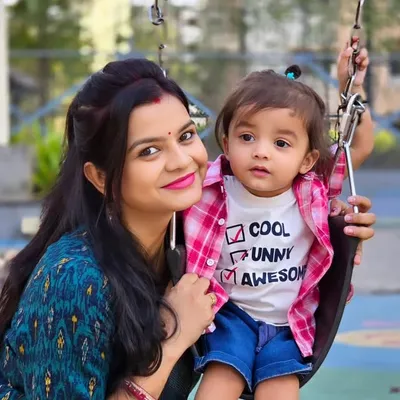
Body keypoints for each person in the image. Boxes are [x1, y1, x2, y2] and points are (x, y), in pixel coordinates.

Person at [0, 58, 375, 400]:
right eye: (149, 151)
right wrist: (174, 338)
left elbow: (327, 171)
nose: (182, 161)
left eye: (185, 136)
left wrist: (331, 230)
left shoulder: (189, 238)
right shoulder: (73, 279)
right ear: (100, 178)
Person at [185, 44, 374, 400]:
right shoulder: (210, 187)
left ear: (307, 160)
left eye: (281, 143)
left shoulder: (312, 189)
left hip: (289, 322)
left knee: (281, 390)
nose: (261, 151)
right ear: (226, 143)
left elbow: (358, 146)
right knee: (218, 384)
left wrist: (352, 89)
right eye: (247, 137)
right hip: (229, 316)